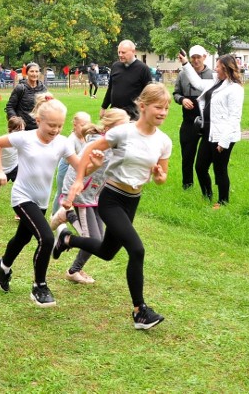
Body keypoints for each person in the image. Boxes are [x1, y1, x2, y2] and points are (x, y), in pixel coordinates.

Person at [55, 84, 172, 329]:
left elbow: (162, 178)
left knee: (108, 252)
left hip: (133, 200)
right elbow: (89, 148)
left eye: (167, 107)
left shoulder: (164, 141)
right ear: (142, 106)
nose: (163, 112)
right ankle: (140, 311)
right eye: (158, 107)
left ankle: (67, 239)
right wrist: (78, 181)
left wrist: (159, 176)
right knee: (137, 250)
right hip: (111, 198)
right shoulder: (124, 133)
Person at [0, 94, 82, 307]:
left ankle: (2, 266)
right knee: (47, 239)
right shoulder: (25, 138)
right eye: (51, 125)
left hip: (41, 201)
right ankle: (39, 286)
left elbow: (80, 167)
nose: (56, 130)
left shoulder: (62, 142)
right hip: (22, 197)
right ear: (38, 121)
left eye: (60, 125)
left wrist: (83, 175)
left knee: (22, 238)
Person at [50, 108, 131, 285]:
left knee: (99, 241)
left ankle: (73, 267)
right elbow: (79, 170)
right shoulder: (96, 145)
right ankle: (67, 239)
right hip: (80, 196)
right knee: (92, 240)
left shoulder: (117, 144)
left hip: (95, 196)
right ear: (110, 127)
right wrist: (70, 196)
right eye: (123, 128)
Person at [179, 51, 244, 209]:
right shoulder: (215, 81)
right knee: (200, 167)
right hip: (208, 132)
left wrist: (224, 141)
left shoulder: (235, 89)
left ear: (226, 69)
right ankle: (207, 195)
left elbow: (234, 118)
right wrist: (185, 63)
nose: (215, 69)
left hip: (222, 135)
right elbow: (196, 82)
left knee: (219, 169)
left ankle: (223, 202)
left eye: (218, 67)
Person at [172, 45, 214, 190]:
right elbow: (176, 93)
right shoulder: (183, 74)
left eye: (198, 57)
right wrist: (182, 100)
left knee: (207, 157)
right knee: (187, 154)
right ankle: (187, 184)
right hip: (189, 120)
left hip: (207, 121)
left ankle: (208, 184)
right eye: (193, 57)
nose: (196, 60)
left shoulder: (212, 75)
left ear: (205, 57)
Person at [101, 40, 152, 120]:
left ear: (133, 51)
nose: (120, 55)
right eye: (119, 52)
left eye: (123, 52)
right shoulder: (115, 66)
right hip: (115, 114)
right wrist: (103, 107)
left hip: (133, 116)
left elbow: (149, 94)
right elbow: (110, 88)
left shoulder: (143, 69)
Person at [5, 62, 47, 130]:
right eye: (32, 71)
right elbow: (10, 106)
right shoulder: (20, 88)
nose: (34, 74)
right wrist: (15, 120)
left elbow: (46, 107)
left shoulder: (43, 89)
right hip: (22, 128)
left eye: (36, 71)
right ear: (27, 73)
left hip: (38, 128)